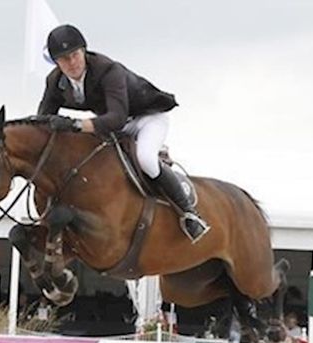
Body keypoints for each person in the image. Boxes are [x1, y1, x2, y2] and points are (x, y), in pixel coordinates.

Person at [38, 24, 209, 243]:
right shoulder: (55, 81)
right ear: (56, 62)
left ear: (84, 51)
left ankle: (189, 214)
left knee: (146, 159)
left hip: (146, 119)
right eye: (64, 59)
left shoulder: (108, 70)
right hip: (113, 126)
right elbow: (43, 120)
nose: (71, 63)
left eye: (74, 55)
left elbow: (116, 118)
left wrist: (75, 125)